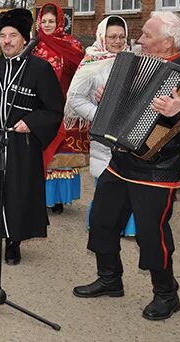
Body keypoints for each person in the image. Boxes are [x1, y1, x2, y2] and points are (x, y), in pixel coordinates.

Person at [74, 11, 180, 321]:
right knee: (102, 221)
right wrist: (106, 96)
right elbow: (123, 101)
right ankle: (110, 279)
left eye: (147, 36)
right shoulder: (135, 62)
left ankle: (166, 293)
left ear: (168, 42)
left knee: (151, 234)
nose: (139, 40)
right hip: (121, 159)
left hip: (157, 168)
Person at [0, 8, 64, 266]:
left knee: (19, 192)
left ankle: (14, 241)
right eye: (3, 36)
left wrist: (31, 122)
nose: (7, 40)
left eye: (13, 35)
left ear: (24, 39)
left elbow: (54, 109)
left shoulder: (40, 69)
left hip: (23, 143)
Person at [64, 15, 135, 236]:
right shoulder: (91, 63)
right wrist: (99, 114)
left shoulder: (134, 59)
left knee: (130, 183)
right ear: (102, 36)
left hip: (130, 134)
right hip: (104, 136)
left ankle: (128, 228)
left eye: (122, 36)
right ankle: (102, 228)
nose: (117, 41)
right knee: (105, 183)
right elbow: (74, 97)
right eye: (112, 36)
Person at [34, 3, 85, 214]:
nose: (47, 25)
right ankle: (39, 195)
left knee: (62, 151)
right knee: (42, 148)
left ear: (60, 22)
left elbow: (82, 73)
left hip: (65, 105)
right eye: (43, 21)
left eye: (51, 21)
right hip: (39, 105)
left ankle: (58, 198)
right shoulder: (34, 45)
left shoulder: (72, 44)